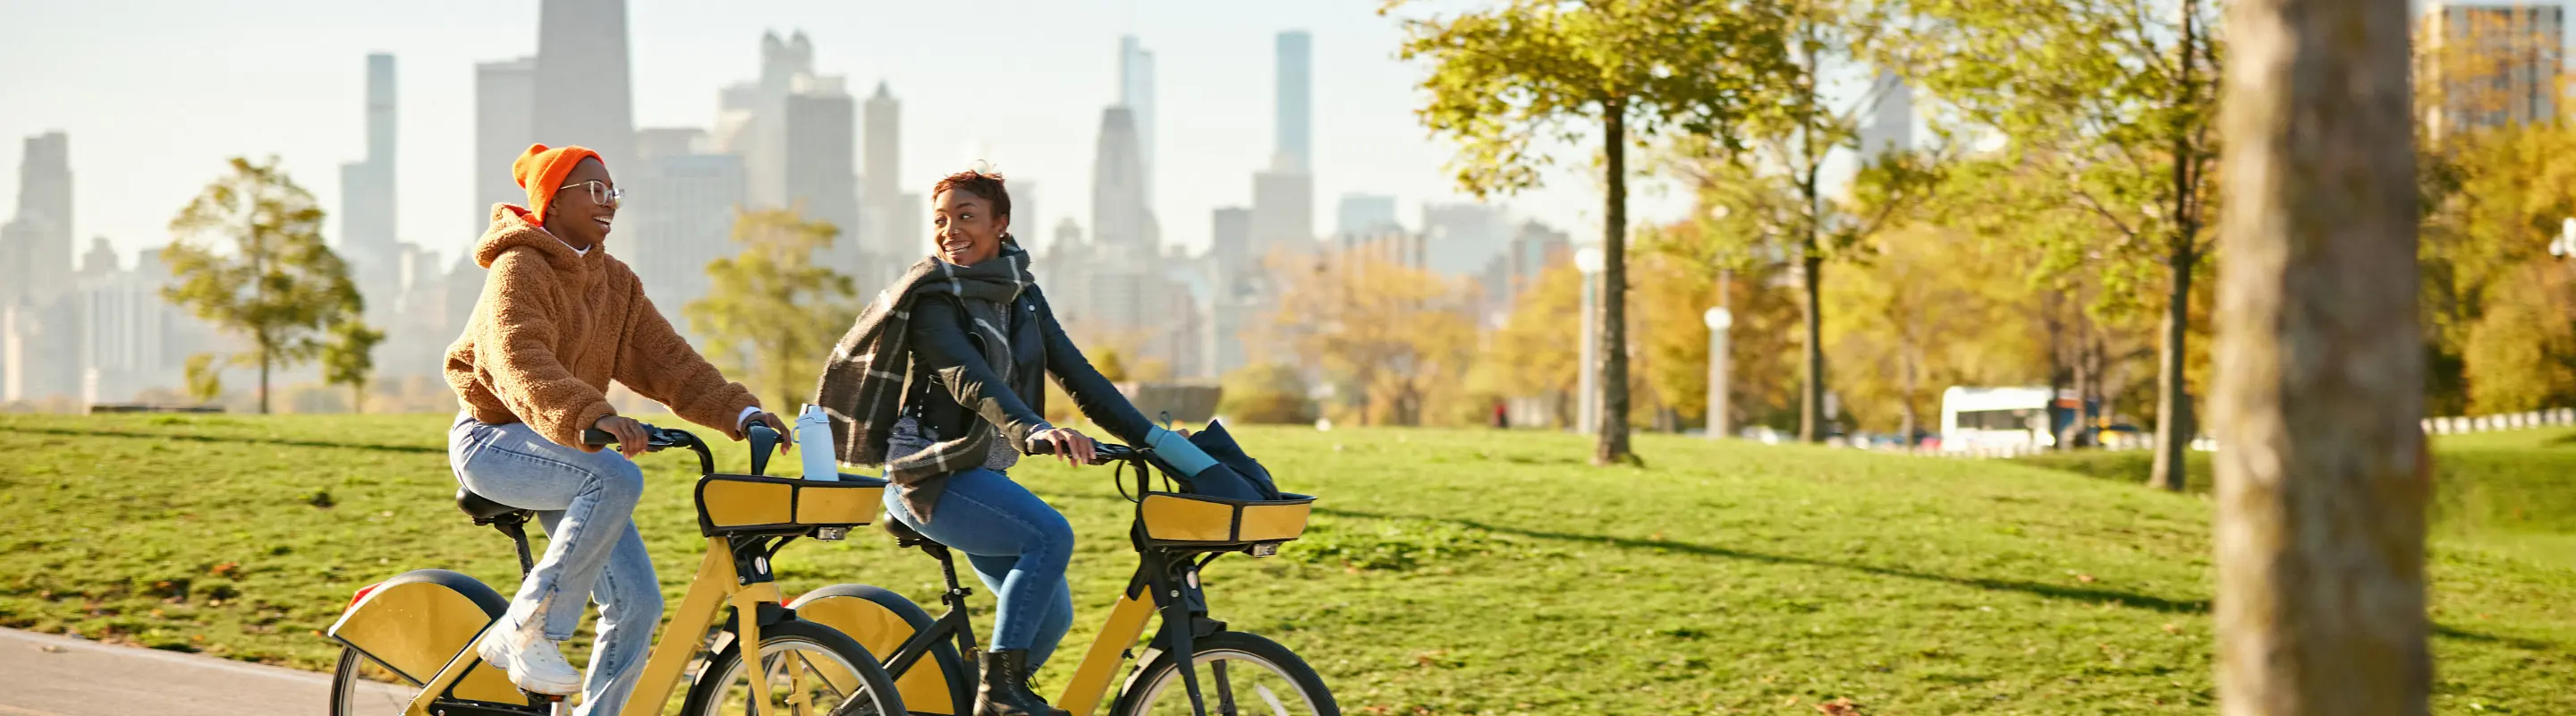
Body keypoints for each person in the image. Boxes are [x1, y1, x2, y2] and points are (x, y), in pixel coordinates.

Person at [815, 169, 1262, 716]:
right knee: (1050, 535)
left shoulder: (1023, 296)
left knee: (1052, 618)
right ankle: (999, 693)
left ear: (1001, 224)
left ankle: (976, 699)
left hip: (979, 475)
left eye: (966, 216)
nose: (950, 230)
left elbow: (1084, 381)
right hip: (927, 475)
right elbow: (970, 378)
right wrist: (1035, 429)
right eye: (940, 220)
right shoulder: (933, 297)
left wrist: (1160, 444)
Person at [445, 143, 794, 714]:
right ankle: (527, 629)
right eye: (595, 190)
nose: (609, 203)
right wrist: (593, 415)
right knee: (614, 478)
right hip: (494, 441)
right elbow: (517, 358)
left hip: (563, 447)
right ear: (553, 201)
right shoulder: (519, 267)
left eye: (613, 192)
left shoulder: (615, 283)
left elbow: (668, 362)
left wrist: (741, 412)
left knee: (637, 606)